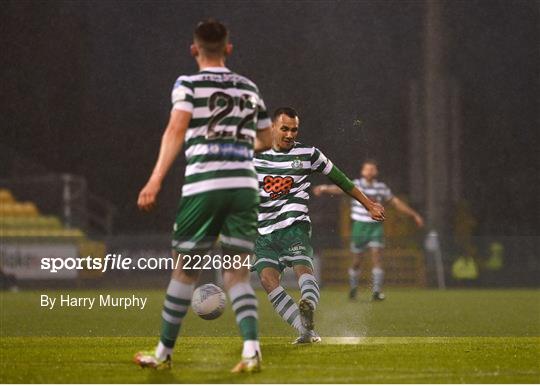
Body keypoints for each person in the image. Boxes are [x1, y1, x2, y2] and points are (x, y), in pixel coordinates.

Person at [134, 19, 272, 373]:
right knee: (237, 274)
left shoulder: (188, 85)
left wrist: (154, 179)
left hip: (205, 185)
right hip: (244, 185)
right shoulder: (249, 87)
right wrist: (239, 143)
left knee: (184, 271)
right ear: (229, 48)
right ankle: (251, 350)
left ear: (194, 49)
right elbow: (267, 140)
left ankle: (163, 354)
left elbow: (176, 128)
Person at [253, 108, 384, 343]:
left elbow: (341, 179)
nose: (290, 134)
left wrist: (369, 204)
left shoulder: (309, 154)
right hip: (263, 231)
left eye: (294, 129)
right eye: (285, 128)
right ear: (272, 127)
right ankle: (305, 330)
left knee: (302, 268)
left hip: (295, 225)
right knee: (267, 280)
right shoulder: (253, 157)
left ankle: (308, 306)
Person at [314, 160, 424, 301]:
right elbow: (340, 188)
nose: (370, 172)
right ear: (363, 171)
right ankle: (353, 288)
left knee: (377, 257)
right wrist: (324, 188)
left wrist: (413, 215)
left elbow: (395, 202)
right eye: (367, 169)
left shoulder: (381, 188)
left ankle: (376, 291)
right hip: (360, 226)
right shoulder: (357, 185)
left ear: (376, 172)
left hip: (375, 226)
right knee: (357, 261)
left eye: (372, 169)